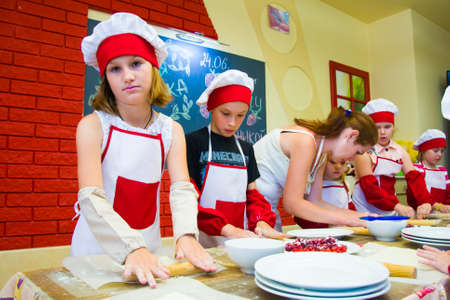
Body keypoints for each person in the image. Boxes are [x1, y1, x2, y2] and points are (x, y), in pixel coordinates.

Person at [71, 12, 216, 288]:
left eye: (136, 63)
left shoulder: (170, 130)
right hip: (96, 254)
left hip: (148, 251)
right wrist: (129, 249)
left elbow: (181, 188)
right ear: (106, 79)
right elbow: (90, 197)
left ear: (153, 68)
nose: (127, 76)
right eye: (115, 68)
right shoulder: (92, 126)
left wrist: (185, 234)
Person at [186, 69, 283, 248]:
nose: (233, 123)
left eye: (240, 115)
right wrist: (227, 229)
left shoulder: (246, 149)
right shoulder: (192, 142)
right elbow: (187, 199)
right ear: (212, 108)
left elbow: (252, 196)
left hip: (240, 242)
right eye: (225, 113)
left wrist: (260, 221)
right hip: (203, 242)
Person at [253, 107, 378, 231]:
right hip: (251, 213)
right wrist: (347, 220)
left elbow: (315, 201)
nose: (352, 159)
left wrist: (358, 216)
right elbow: (292, 204)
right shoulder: (305, 141)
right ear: (351, 136)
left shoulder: (322, 153)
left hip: (267, 215)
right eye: (357, 152)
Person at [352, 98, 433, 219]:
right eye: (377, 127)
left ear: (393, 127)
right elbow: (369, 188)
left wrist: (425, 201)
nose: (383, 132)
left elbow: (415, 179)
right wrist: (397, 206)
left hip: (389, 209)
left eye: (387, 126)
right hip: (364, 208)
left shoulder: (400, 151)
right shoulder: (363, 151)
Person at [294, 157, 356, 228]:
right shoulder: (310, 186)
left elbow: (350, 208)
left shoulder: (344, 185)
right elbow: (300, 217)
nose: (338, 166)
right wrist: (325, 224)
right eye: (332, 162)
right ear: (321, 163)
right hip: (317, 233)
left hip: (342, 232)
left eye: (342, 163)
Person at [407, 129, 450, 213]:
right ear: (424, 150)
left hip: (441, 215)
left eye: (442, 151)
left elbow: (448, 193)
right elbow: (416, 196)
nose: (439, 154)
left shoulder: (443, 170)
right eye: (435, 151)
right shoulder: (416, 169)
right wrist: (439, 207)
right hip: (421, 215)